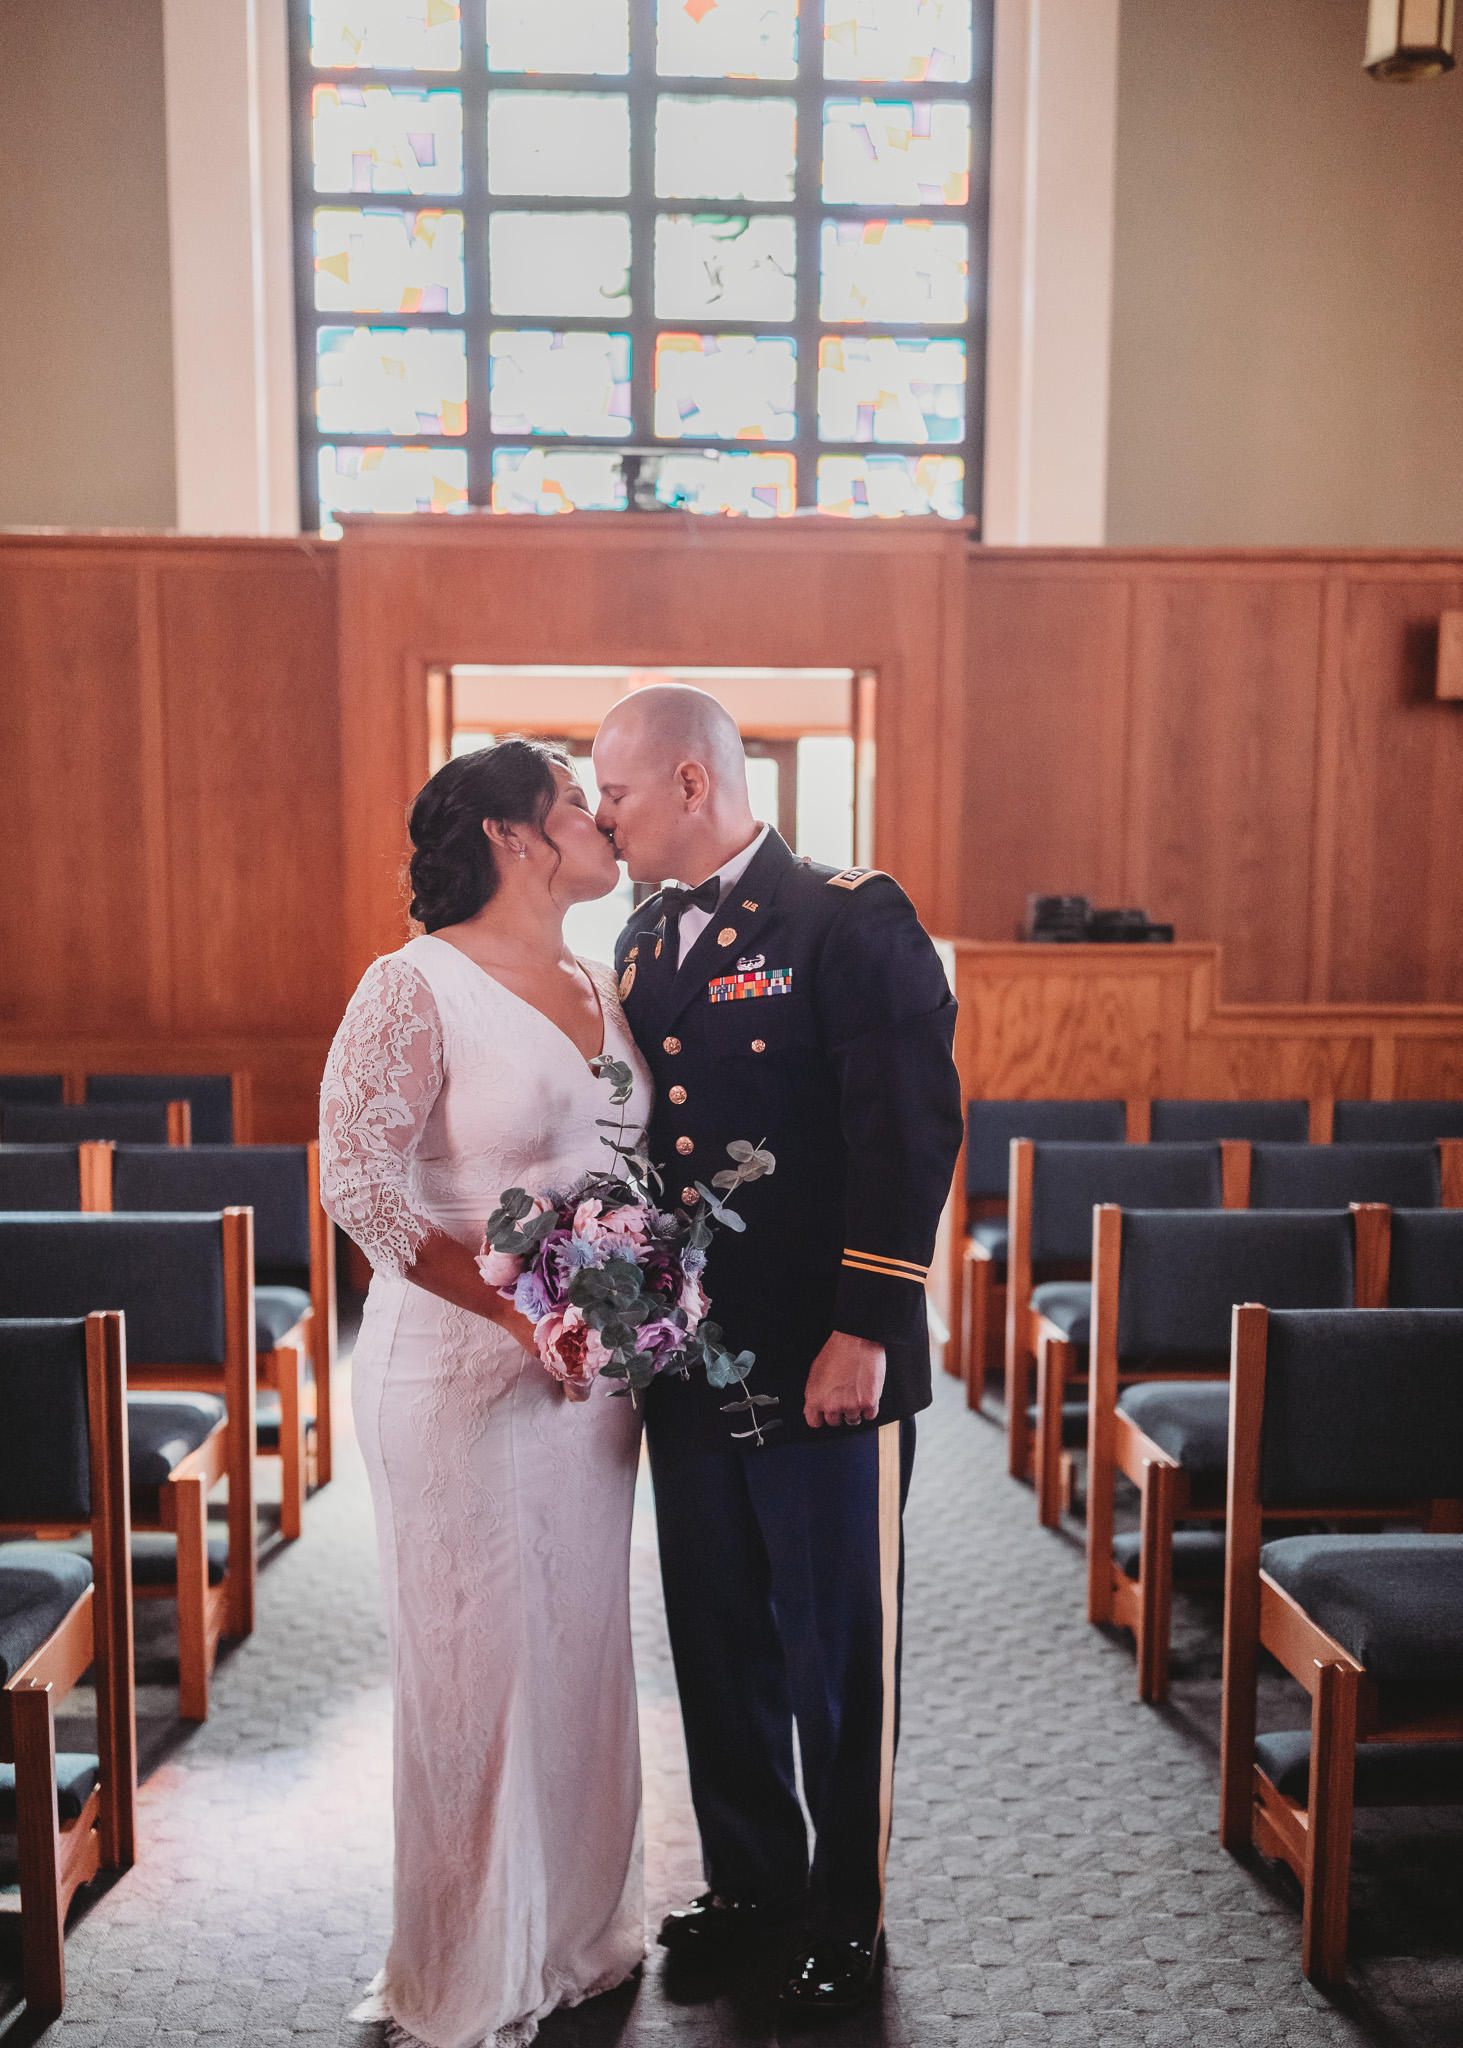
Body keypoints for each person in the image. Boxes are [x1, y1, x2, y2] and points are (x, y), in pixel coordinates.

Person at [592, 685, 962, 2014]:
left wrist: (866, 1324)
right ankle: (752, 1883)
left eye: (616, 791)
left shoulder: (849, 919)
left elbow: (909, 1137)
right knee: (718, 1633)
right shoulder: (639, 940)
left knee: (834, 1647)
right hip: (697, 1365)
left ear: (694, 782)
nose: (600, 815)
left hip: (825, 1362)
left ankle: (844, 1914)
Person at [319, 740, 649, 2048]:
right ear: (516, 836)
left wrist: (633, 1291)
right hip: (460, 1370)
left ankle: (571, 1935)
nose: (605, 822)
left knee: (578, 1647)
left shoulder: (597, 979)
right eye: (580, 804)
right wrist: (519, 1310)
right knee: (477, 1664)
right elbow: (362, 1186)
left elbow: (620, 1170)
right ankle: (465, 1960)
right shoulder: (414, 985)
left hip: (589, 1383)